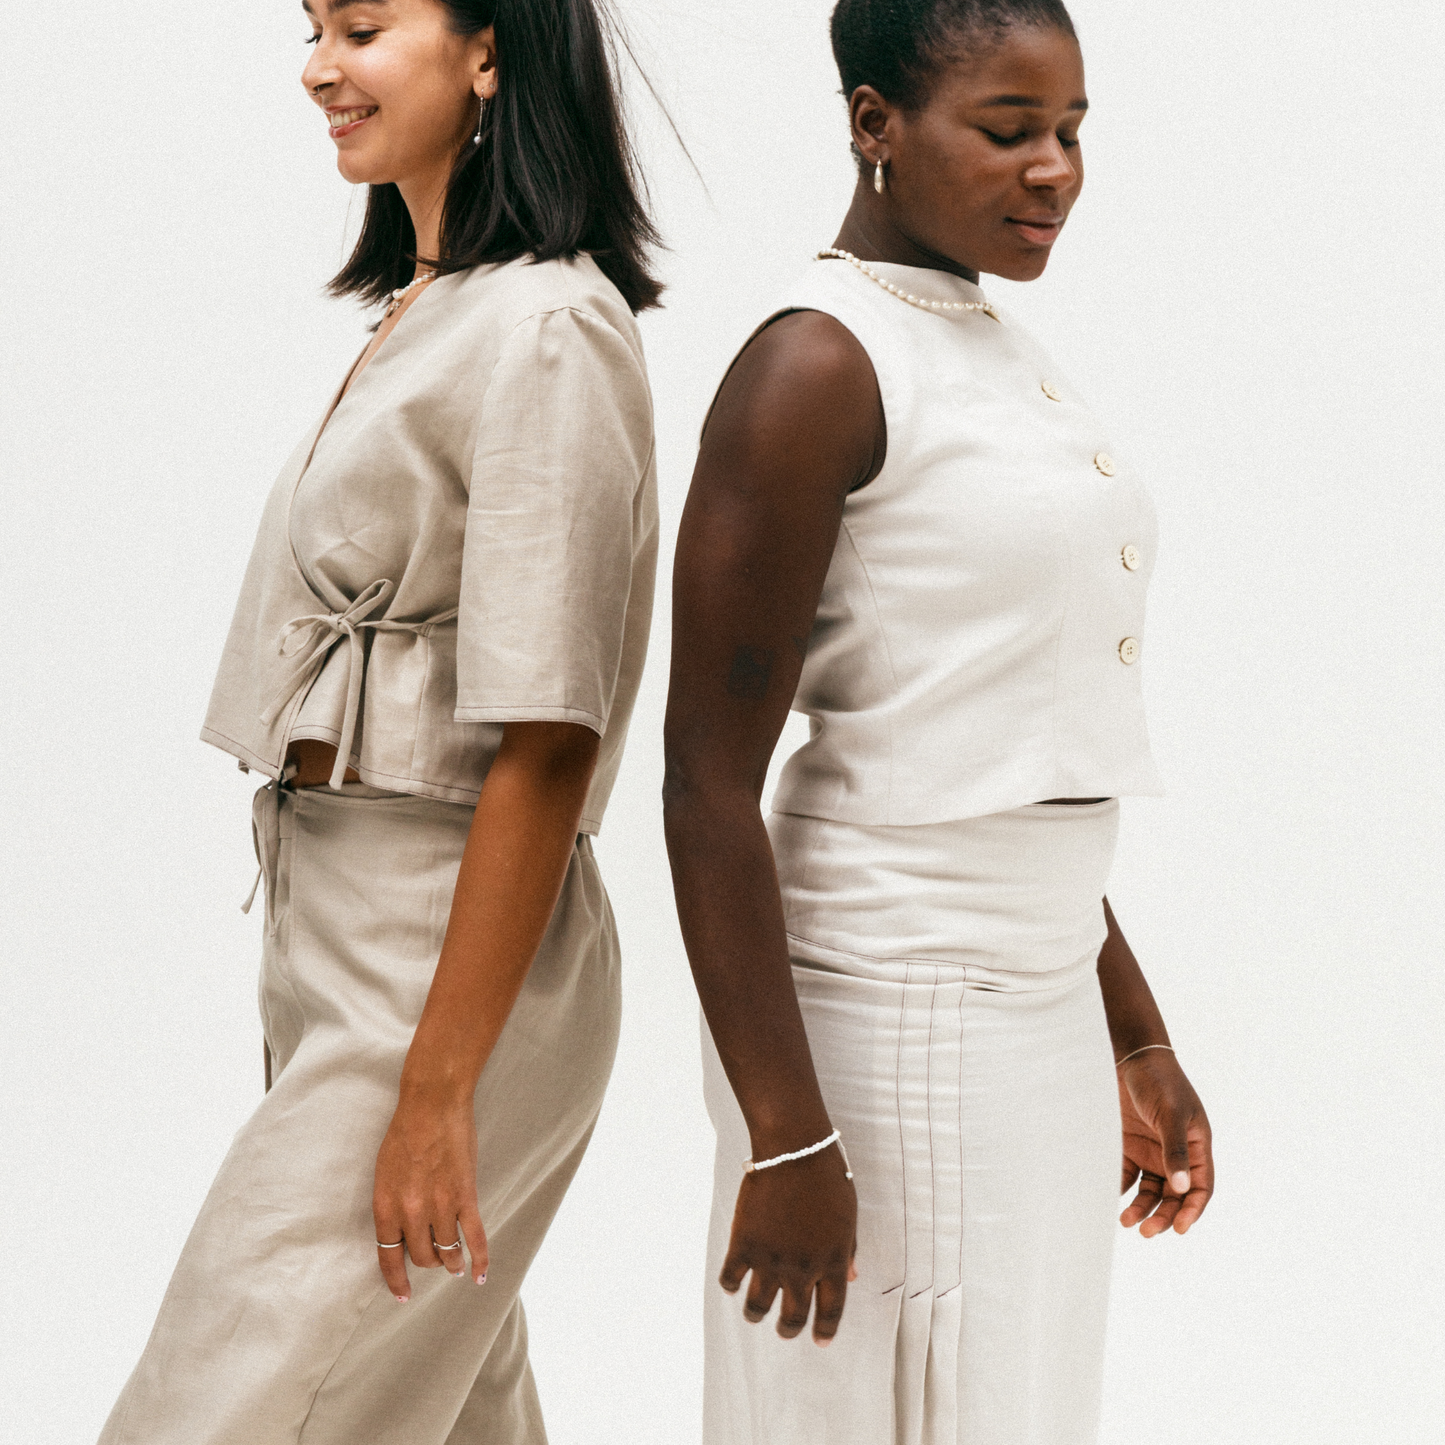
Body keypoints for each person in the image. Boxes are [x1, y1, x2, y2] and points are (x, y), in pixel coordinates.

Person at [100, 2, 659, 1441]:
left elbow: (550, 736)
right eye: (309, 27)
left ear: (491, 49)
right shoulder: (436, 306)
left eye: (362, 22)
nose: (317, 66)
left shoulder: (547, 325)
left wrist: (438, 1089)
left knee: (211, 1410)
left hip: (438, 950)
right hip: (348, 934)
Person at [662, 3, 1215, 1442]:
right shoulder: (816, 365)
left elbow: (994, 748)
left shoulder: (990, 345)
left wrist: (1134, 1036)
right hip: (885, 1021)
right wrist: (789, 1135)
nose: (1057, 170)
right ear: (873, 125)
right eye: (1009, 128)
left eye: (1073, 130)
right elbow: (706, 788)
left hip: (1033, 1006)